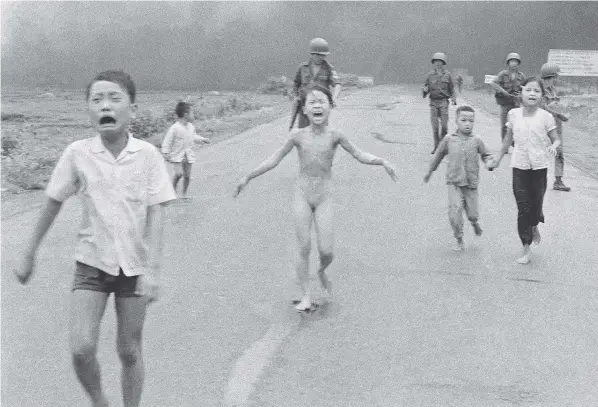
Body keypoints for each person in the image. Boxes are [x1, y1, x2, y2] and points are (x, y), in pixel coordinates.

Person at [14, 70, 177, 407]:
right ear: (88, 109)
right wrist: (29, 251)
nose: (105, 105)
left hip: (133, 268)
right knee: (81, 348)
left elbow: (159, 211)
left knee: (129, 350)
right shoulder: (78, 154)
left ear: (132, 108)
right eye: (97, 99)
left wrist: (153, 271)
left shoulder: (147, 156)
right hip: (91, 264)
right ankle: (100, 400)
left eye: (114, 98)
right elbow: (53, 201)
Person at [234, 84, 398, 311]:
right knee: (303, 247)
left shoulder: (336, 136)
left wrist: (382, 162)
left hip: (324, 197)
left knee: (327, 251)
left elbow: (360, 154)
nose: (318, 105)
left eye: (322, 101)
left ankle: (321, 271)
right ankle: (306, 295)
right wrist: (248, 177)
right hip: (302, 194)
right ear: (304, 110)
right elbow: (274, 159)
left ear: (330, 107)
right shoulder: (297, 136)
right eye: (312, 102)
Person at [488, 77, 561, 264]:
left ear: (541, 96)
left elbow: (556, 138)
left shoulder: (546, 117)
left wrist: (554, 146)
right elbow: (506, 141)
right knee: (523, 208)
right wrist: (497, 159)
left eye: (536, 91)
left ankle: (535, 223)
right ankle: (525, 246)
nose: (532, 94)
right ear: (521, 92)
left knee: (535, 207)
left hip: (539, 167)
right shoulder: (513, 114)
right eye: (528, 90)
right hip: (519, 166)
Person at [424, 106, 493, 251]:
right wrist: (430, 171)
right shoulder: (449, 140)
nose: (467, 124)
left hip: (471, 184)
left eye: (471, 121)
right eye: (463, 120)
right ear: (456, 121)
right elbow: (437, 156)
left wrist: (489, 163)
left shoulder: (477, 140)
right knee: (455, 213)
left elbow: (486, 155)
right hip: (454, 183)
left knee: (473, 214)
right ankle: (459, 238)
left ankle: (474, 224)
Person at [161, 101, 211, 200]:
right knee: (179, 174)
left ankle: (184, 194)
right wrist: (165, 153)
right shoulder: (174, 128)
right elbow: (167, 141)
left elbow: (193, 136)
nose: (194, 115)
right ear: (186, 115)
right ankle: (172, 191)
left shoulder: (190, 126)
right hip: (177, 156)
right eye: (192, 113)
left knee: (187, 176)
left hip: (188, 155)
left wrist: (202, 139)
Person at [291, 38, 342, 129]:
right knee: (303, 134)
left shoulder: (329, 68)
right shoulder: (302, 68)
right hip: (305, 107)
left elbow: (337, 84)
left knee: (320, 134)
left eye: (323, 55)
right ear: (312, 54)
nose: (321, 57)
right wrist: (295, 97)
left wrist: (334, 98)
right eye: (318, 55)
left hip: (321, 108)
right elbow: (296, 84)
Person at [540, 62, 571, 191]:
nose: (557, 79)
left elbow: (556, 104)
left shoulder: (553, 90)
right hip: (543, 126)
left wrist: (562, 112)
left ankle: (558, 181)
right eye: (555, 76)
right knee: (539, 153)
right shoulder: (540, 90)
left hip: (556, 126)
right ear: (550, 76)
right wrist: (558, 114)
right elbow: (543, 107)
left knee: (559, 152)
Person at [422, 52, 457, 154]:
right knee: (435, 127)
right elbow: (425, 90)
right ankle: (436, 147)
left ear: (443, 63)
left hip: (443, 102)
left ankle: (443, 146)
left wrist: (454, 98)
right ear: (434, 63)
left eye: (440, 61)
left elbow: (452, 89)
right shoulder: (430, 75)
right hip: (433, 102)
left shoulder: (448, 75)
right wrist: (424, 90)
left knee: (445, 126)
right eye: (436, 61)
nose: (438, 63)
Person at [491, 52, 526, 146]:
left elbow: (526, 88)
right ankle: (505, 145)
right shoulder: (503, 74)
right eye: (512, 61)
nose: (514, 63)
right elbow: (493, 83)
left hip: (516, 104)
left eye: (516, 61)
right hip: (505, 103)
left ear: (518, 63)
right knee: (504, 125)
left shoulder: (521, 76)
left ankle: (514, 143)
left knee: (516, 124)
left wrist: (521, 94)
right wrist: (503, 91)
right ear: (508, 63)